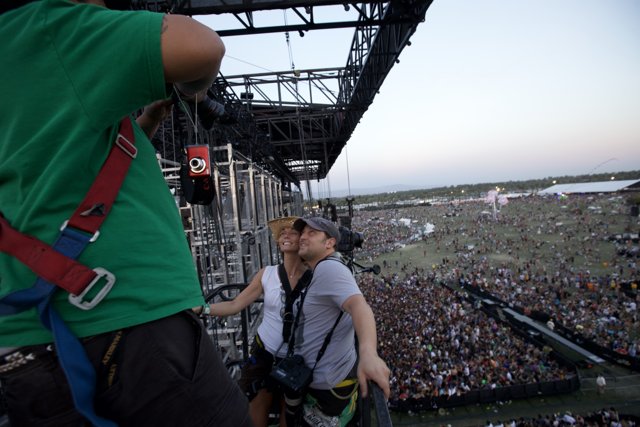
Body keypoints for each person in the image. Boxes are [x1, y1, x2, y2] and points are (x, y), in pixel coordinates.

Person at [0, 1, 251, 426]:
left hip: (27, 344)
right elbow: (202, 47)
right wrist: (196, 89)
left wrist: (146, 120)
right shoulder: (48, 26)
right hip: (123, 324)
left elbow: (72, 168)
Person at [197, 216, 311, 427]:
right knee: (255, 406)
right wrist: (203, 308)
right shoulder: (266, 274)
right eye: (282, 233)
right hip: (265, 352)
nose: (285, 234)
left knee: (291, 414)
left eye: (292, 232)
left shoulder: (316, 277)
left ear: (302, 240)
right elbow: (234, 305)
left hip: (299, 358)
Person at [288, 217, 390, 426]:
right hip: (320, 381)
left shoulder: (330, 269)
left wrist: (369, 353)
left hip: (328, 388)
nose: (303, 237)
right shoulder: (320, 269)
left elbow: (359, 306)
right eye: (303, 233)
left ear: (330, 243)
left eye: (312, 233)